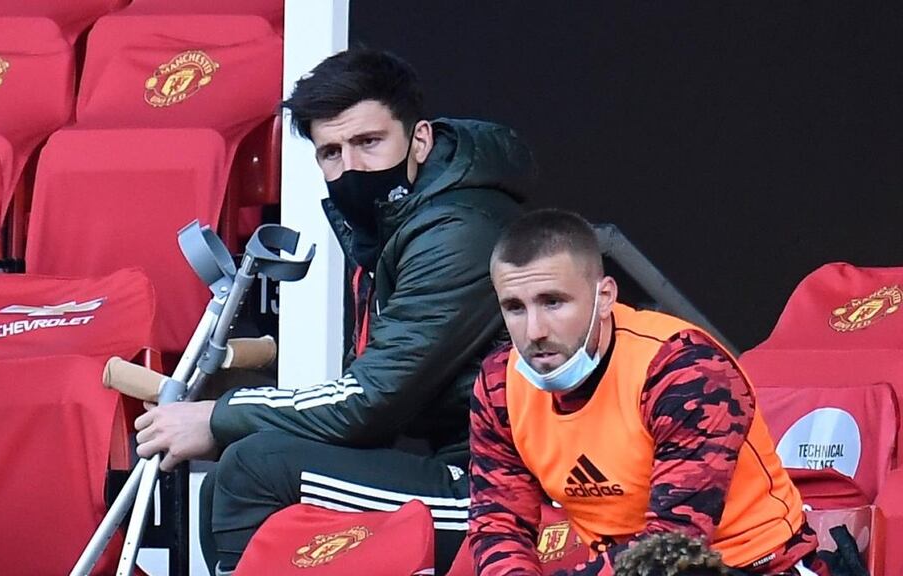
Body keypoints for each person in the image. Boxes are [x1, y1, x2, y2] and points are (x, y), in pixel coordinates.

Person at [133, 47, 534, 574]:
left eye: (368, 143)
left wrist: (219, 414)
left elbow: (370, 403)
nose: (350, 168)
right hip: (461, 466)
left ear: (420, 140)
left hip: (508, 491)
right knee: (250, 466)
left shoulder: (457, 232)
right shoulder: (394, 224)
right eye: (331, 153)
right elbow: (367, 409)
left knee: (255, 470)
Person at [468, 209, 829, 576]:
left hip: (750, 566)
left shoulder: (685, 370)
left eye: (553, 302)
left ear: (605, 297)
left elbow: (670, 546)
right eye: (514, 308)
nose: (534, 331)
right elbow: (498, 521)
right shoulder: (500, 384)